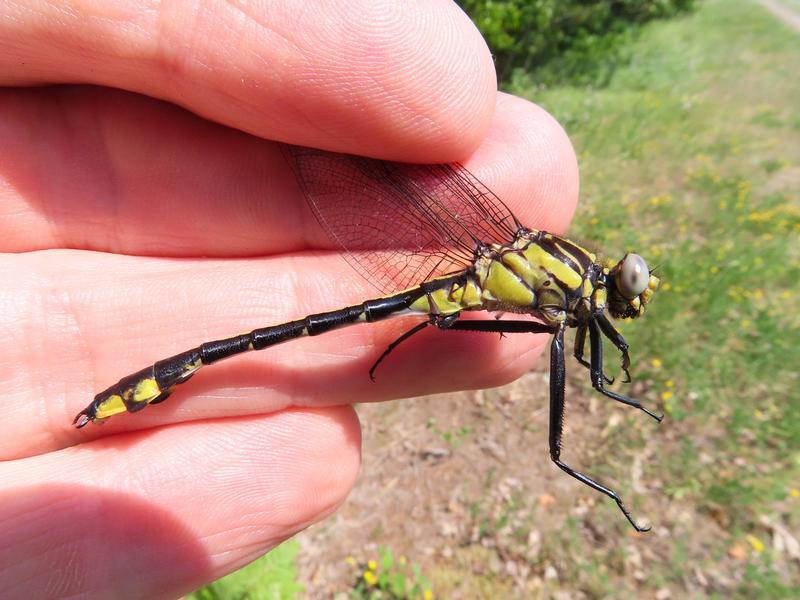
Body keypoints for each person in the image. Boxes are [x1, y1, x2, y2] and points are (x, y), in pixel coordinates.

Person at [0, 1, 578, 596]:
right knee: (251, 345)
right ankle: (154, 381)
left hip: (449, 290)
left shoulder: (558, 294)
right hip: (444, 284)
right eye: (622, 286)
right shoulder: (555, 284)